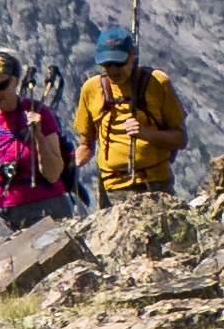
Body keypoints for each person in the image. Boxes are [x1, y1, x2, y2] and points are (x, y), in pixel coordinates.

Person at [75, 24, 190, 198]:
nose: (113, 70)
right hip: (111, 189)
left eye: (119, 63)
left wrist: (145, 134)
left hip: (155, 184)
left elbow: (180, 139)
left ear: (133, 55)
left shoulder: (157, 83)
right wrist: (72, 163)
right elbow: (86, 144)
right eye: (106, 64)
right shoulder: (91, 89)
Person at [0, 49, 78, 233]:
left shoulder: (41, 114)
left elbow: (53, 174)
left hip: (43, 207)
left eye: (1, 85)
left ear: (15, 81)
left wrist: (38, 138)